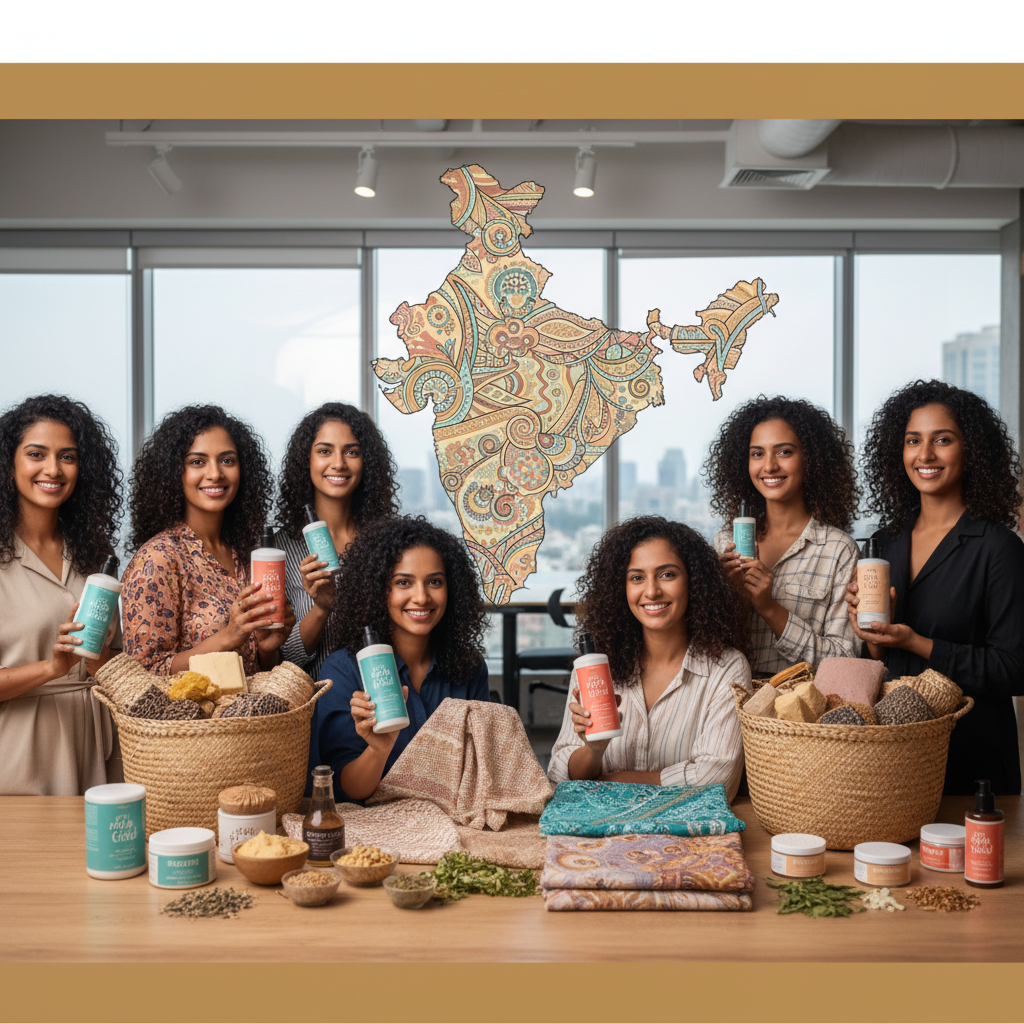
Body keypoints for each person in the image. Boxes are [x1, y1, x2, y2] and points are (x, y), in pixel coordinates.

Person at [845, 380, 1024, 796]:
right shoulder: (885, 543)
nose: (925, 455)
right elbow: (879, 661)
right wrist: (872, 639)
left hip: (972, 761)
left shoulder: (998, 548)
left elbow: (1016, 669)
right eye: (913, 441)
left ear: (971, 449)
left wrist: (918, 643)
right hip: (895, 760)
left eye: (942, 440)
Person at [547, 516, 751, 801]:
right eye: (636, 578)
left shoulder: (726, 668)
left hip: (688, 839)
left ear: (694, 581)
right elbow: (558, 773)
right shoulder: (596, 669)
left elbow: (718, 780)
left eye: (667, 574)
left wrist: (616, 780)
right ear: (621, 589)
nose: (652, 591)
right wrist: (594, 750)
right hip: (601, 834)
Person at [312, 516, 490, 802]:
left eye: (434, 582)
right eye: (403, 582)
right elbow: (347, 792)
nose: (421, 597)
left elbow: (484, 768)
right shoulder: (344, 671)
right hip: (379, 826)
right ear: (377, 589)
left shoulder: (469, 668)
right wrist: (378, 749)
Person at [0, 395, 122, 794]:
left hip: (99, 749)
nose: (52, 469)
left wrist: (101, 657)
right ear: (10, 462)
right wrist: (52, 668)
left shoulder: (93, 552)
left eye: (67, 456)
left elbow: (114, 661)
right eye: (37, 454)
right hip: (22, 753)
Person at [121, 405, 293, 676]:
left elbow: (259, 673)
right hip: (188, 719)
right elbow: (142, 674)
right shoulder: (158, 558)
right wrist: (228, 636)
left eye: (227, 460)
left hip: (250, 718)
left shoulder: (249, 556)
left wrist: (267, 648)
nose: (215, 473)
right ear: (173, 472)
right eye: (197, 462)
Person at [705, 395, 860, 675]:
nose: (769, 466)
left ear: (810, 459)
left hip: (797, 714)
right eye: (757, 453)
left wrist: (769, 608)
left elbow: (845, 662)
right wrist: (731, 600)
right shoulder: (725, 542)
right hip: (729, 706)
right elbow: (705, 649)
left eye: (784, 452)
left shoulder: (838, 550)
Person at [273, 403, 399, 680]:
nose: (339, 463)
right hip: (314, 709)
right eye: (324, 451)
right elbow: (280, 661)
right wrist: (321, 608)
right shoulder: (279, 550)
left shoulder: (389, 542)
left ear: (367, 462)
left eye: (351, 452)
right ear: (306, 460)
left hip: (387, 699)